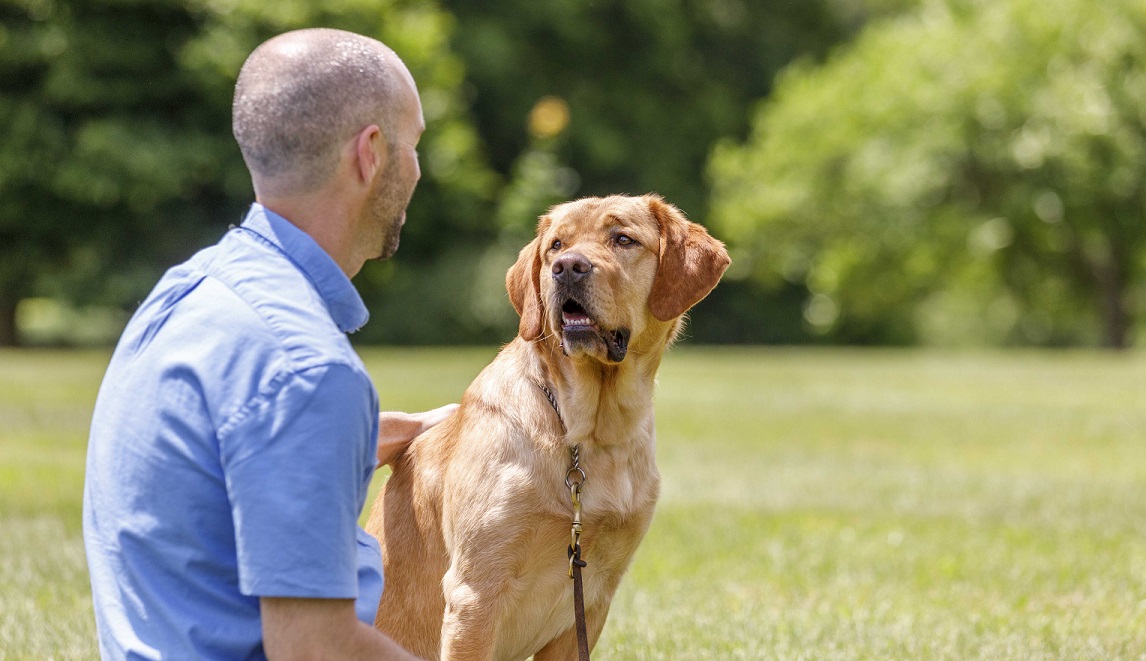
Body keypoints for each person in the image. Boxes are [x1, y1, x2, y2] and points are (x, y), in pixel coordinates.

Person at [82, 28, 452, 659]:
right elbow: (316, 649)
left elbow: (220, 463)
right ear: (370, 154)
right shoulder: (308, 372)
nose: (418, 169)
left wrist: (378, 438)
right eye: (413, 145)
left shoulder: (190, 292)